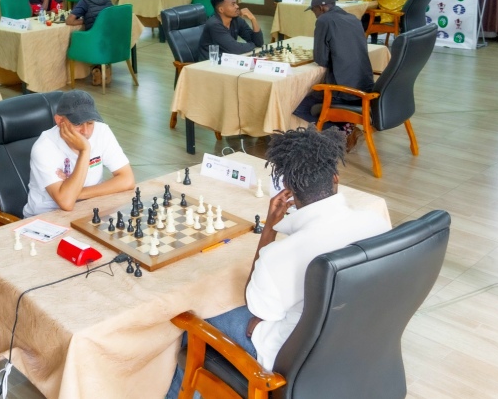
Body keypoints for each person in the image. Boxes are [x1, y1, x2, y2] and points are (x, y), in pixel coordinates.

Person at [164, 127, 390, 398]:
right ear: (335, 178)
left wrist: (269, 229)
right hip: (358, 340)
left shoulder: (280, 256)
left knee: (195, 326)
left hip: (291, 359)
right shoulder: (376, 222)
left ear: (290, 192)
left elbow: (256, 308)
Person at [23, 90, 135, 217]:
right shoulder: (43, 147)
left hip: (88, 207)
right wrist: (85, 150)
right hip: (45, 217)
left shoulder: (101, 131)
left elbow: (127, 180)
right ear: (59, 120)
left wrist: (75, 192)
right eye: (78, 124)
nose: (85, 131)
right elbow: (66, 203)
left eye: (90, 123)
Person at [293, 0, 374, 151]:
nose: (315, 15)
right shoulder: (353, 18)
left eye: (314, 11)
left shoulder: (324, 20)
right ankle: (348, 127)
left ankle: (344, 132)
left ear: (321, 8)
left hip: (344, 91)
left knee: (297, 104)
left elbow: (321, 59)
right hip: (365, 87)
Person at [198, 0, 264, 56]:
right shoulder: (214, 25)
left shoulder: (236, 20)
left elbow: (259, 42)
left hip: (227, 59)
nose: (237, 6)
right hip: (209, 61)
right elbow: (235, 49)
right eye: (233, 4)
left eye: (236, 3)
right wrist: (254, 45)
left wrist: (253, 19)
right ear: (221, 9)